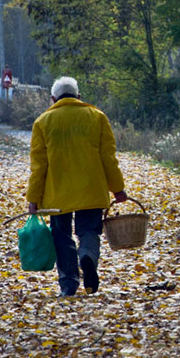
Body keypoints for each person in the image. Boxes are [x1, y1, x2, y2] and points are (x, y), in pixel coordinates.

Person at [26, 77, 127, 296]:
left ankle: (69, 284)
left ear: (53, 99)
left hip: (57, 195)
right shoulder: (97, 118)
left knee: (61, 236)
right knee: (89, 230)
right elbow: (108, 158)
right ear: (79, 97)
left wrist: (33, 198)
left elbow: (39, 167)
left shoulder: (43, 122)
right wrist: (117, 189)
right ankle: (87, 256)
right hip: (91, 190)